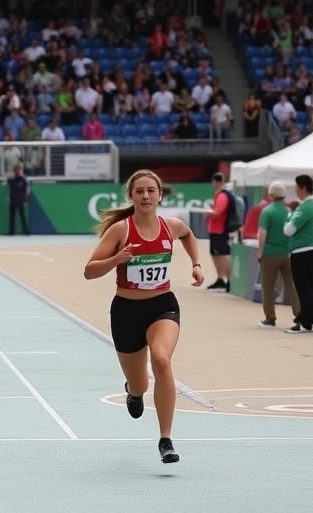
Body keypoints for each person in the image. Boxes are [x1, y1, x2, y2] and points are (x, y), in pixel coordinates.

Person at [83, 169, 203, 464]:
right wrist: (117, 259)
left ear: (160, 195)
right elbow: (89, 270)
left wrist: (196, 264)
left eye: (151, 190)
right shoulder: (121, 231)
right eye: (140, 191)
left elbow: (189, 235)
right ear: (131, 196)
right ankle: (133, 393)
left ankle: (166, 440)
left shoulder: (171, 226)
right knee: (140, 385)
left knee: (162, 361)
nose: (146, 196)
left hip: (163, 305)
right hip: (126, 312)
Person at [257, 181, 301, 328]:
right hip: (287, 253)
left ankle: (270, 318)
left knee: (268, 287)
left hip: (270, 253)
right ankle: (300, 315)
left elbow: (262, 234)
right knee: (292, 286)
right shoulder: (289, 211)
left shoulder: (267, 211)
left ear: (271, 194)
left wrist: (260, 252)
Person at [284, 174, 313, 334]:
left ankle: (306, 323)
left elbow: (288, 230)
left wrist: (288, 218)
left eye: (296, 187)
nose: (295, 190)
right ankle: (309, 321)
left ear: (302, 187)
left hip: (302, 252)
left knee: (304, 289)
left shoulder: (305, 207)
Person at [203, 172, 233, 291]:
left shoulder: (222, 196)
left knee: (222, 255)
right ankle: (221, 278)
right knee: (216, 254)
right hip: (216, 230)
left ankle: (228, 280)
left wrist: (207, 213)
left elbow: (218, 213)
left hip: (220, 230)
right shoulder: (220, 195)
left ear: (216, 182)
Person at [7, 162, 31, 235]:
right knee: (12, 216)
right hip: (13, 199)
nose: (17, 171)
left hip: (20, 199)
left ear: (21, 170)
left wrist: (26, 198)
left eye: (18, 169)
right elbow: (8, 185)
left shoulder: (24, 179)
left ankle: (25, 231)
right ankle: (11, 231)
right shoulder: (12, 179)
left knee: (22, 215)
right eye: (15, 169)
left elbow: (26, 189)